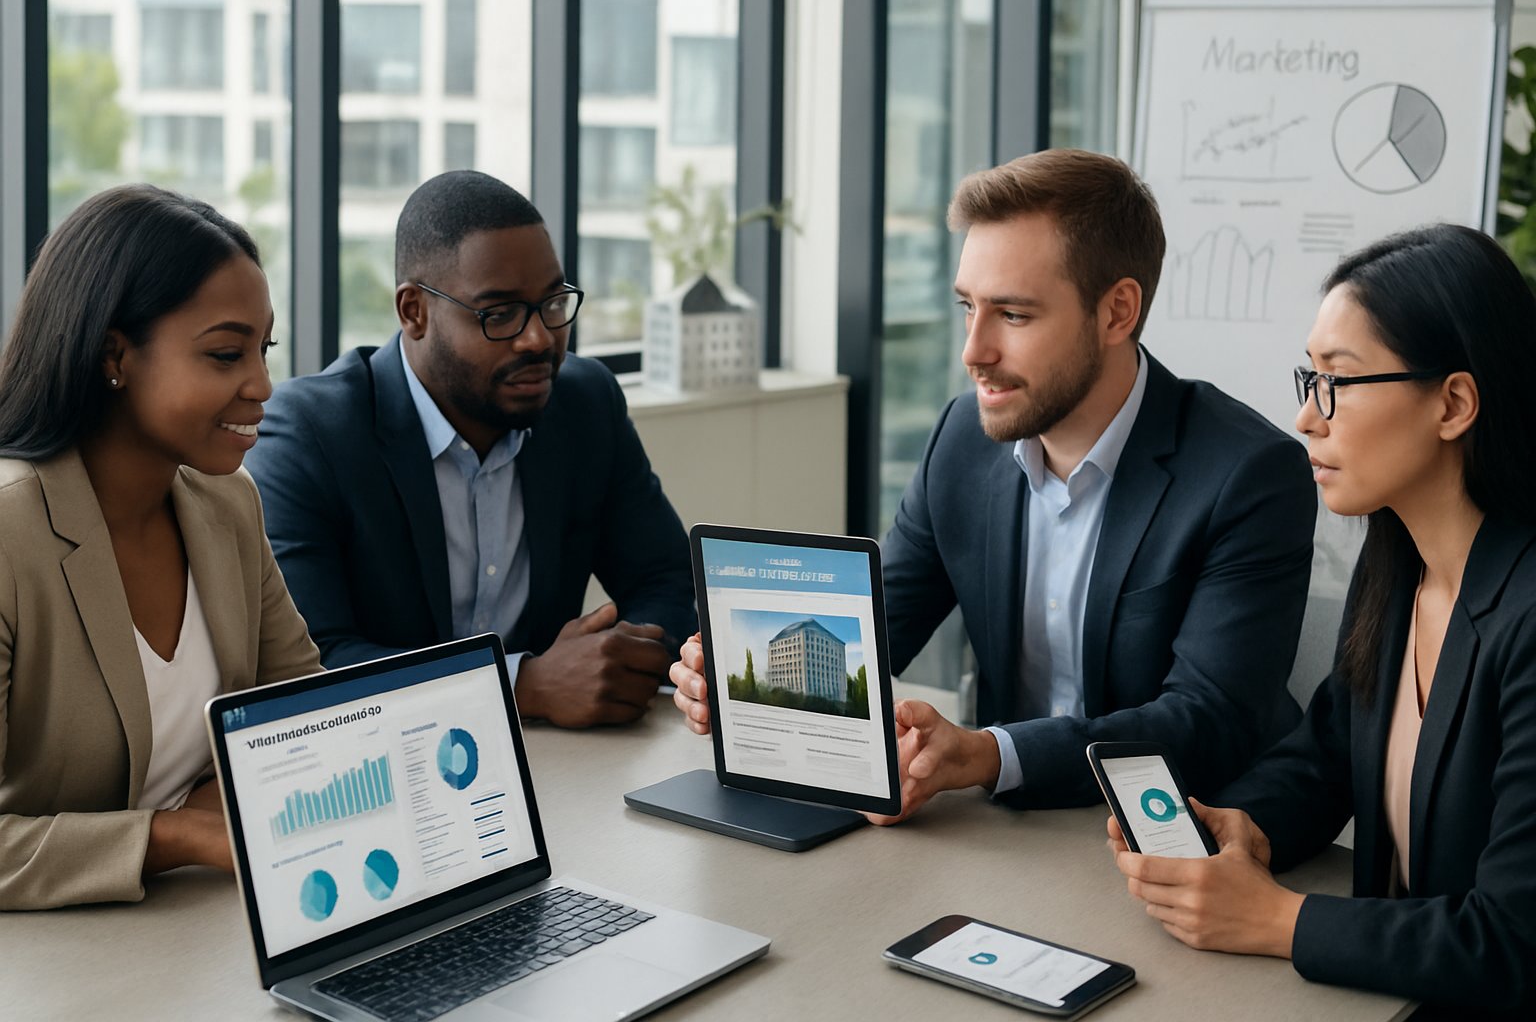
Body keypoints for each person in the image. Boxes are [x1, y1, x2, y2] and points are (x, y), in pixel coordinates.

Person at [672, 149, 1316, 819]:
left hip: (1184, 835)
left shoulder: (1247, 474)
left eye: (1012, 315)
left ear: (1118, 312)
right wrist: (739, 679)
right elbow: (876, 627)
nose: (973, 351)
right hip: (1010, 831)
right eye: (967, 308)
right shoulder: (963, 438)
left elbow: (1208, 722)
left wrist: (986, 755)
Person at [1110, 224, 1536, 1016]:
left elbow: (1513, 938)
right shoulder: (1396, 565)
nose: (1308, 417)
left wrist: (1276, 918)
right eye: (1309, 377)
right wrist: (1246, 829)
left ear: (1453, 403)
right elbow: (1326, 759)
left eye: (1337, 382)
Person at [245, 171, 692, 729]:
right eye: (498, 314)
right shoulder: (309, 434)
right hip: (388, 774)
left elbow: (666, 583)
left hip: (562, 756)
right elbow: (316, 667)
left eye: (552, 303)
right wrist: (520, 684)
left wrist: (624, 658)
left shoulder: (584, 404)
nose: (538, 339)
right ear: (414, 312)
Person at [0, 185, 322, 910]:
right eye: (225, 354)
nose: (263, 384)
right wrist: (178, 836)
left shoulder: (226, 503)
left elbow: (304, 713)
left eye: (264, 350)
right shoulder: (9, 534)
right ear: (115, 354)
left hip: (206, 918)